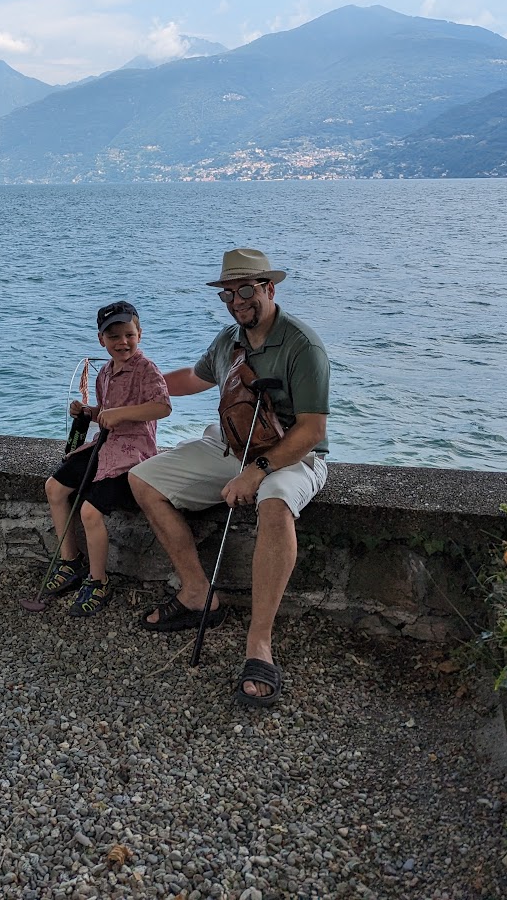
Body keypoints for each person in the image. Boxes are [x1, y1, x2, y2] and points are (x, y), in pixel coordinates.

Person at [128, 249, 329, 708]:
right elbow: (193, 381)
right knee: (144, 480)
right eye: (228, 293)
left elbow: (313, 430)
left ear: (268, 289)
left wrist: (259, 472)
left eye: (246, 290)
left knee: (274, 505)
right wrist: (134, 380)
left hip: (294, 456)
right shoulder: (229, 342)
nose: (237, 300)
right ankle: (199, 593)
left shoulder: (302, 345)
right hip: (235, 446)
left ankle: (259, 644)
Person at [42, 300, 171, 617]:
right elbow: (107, 416)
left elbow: (162, 407)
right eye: (113, 337)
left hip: (132, 457)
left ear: (139, 333)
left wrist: (118, 414)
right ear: (102, 340)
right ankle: (71, 562)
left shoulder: (146, 370)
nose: (122, 342)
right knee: (54, 488)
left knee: (89, 511)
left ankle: (97, 580)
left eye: (128, 334)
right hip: (104, 446)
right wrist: (89, 412)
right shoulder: (104, 373)